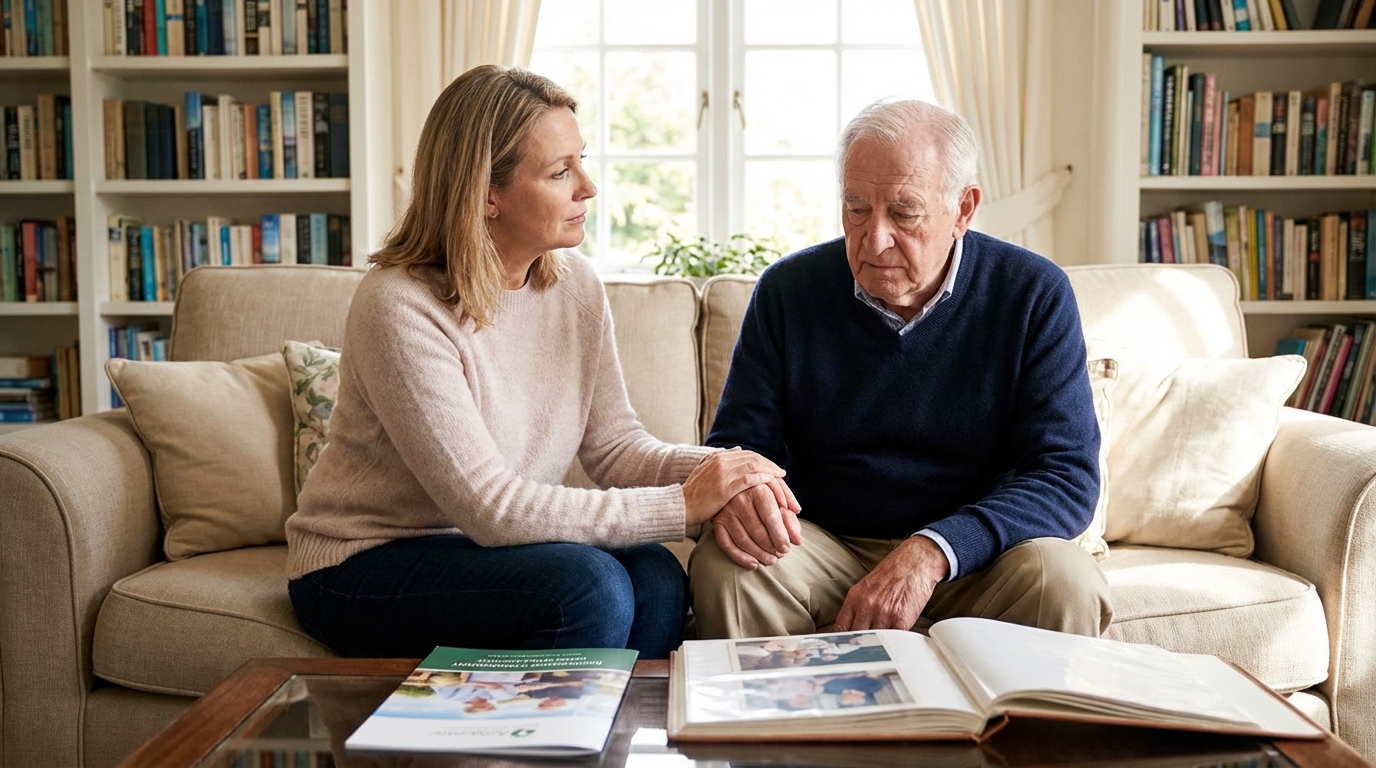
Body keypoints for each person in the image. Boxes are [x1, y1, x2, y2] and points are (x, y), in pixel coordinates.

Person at [284, 64, 792, 661]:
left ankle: (610, 747)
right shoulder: (400, 305)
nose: (587, 186)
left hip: (489, 554)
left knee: (655, 578)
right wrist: (683, 506)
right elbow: (490, 508)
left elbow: (614, 448)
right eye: (560, 172)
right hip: (361, 565)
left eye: (581, 159)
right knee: (588, 589)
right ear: (487, 194)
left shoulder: (573, 285)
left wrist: (732, 471)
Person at [689, 98, 1112, 640]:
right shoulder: (789, 292)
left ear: (963, 208)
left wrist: (937, 548)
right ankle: (776, 729)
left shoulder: (1032, 293)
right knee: (728, 570)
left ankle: (1020, 730)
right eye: (856, 208)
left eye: (904, 212)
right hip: (824, 545)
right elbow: (740, 448)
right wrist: (743, 493)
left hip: (978, 559)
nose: (875, 238)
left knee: (1066, 579)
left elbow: (1066, 477)